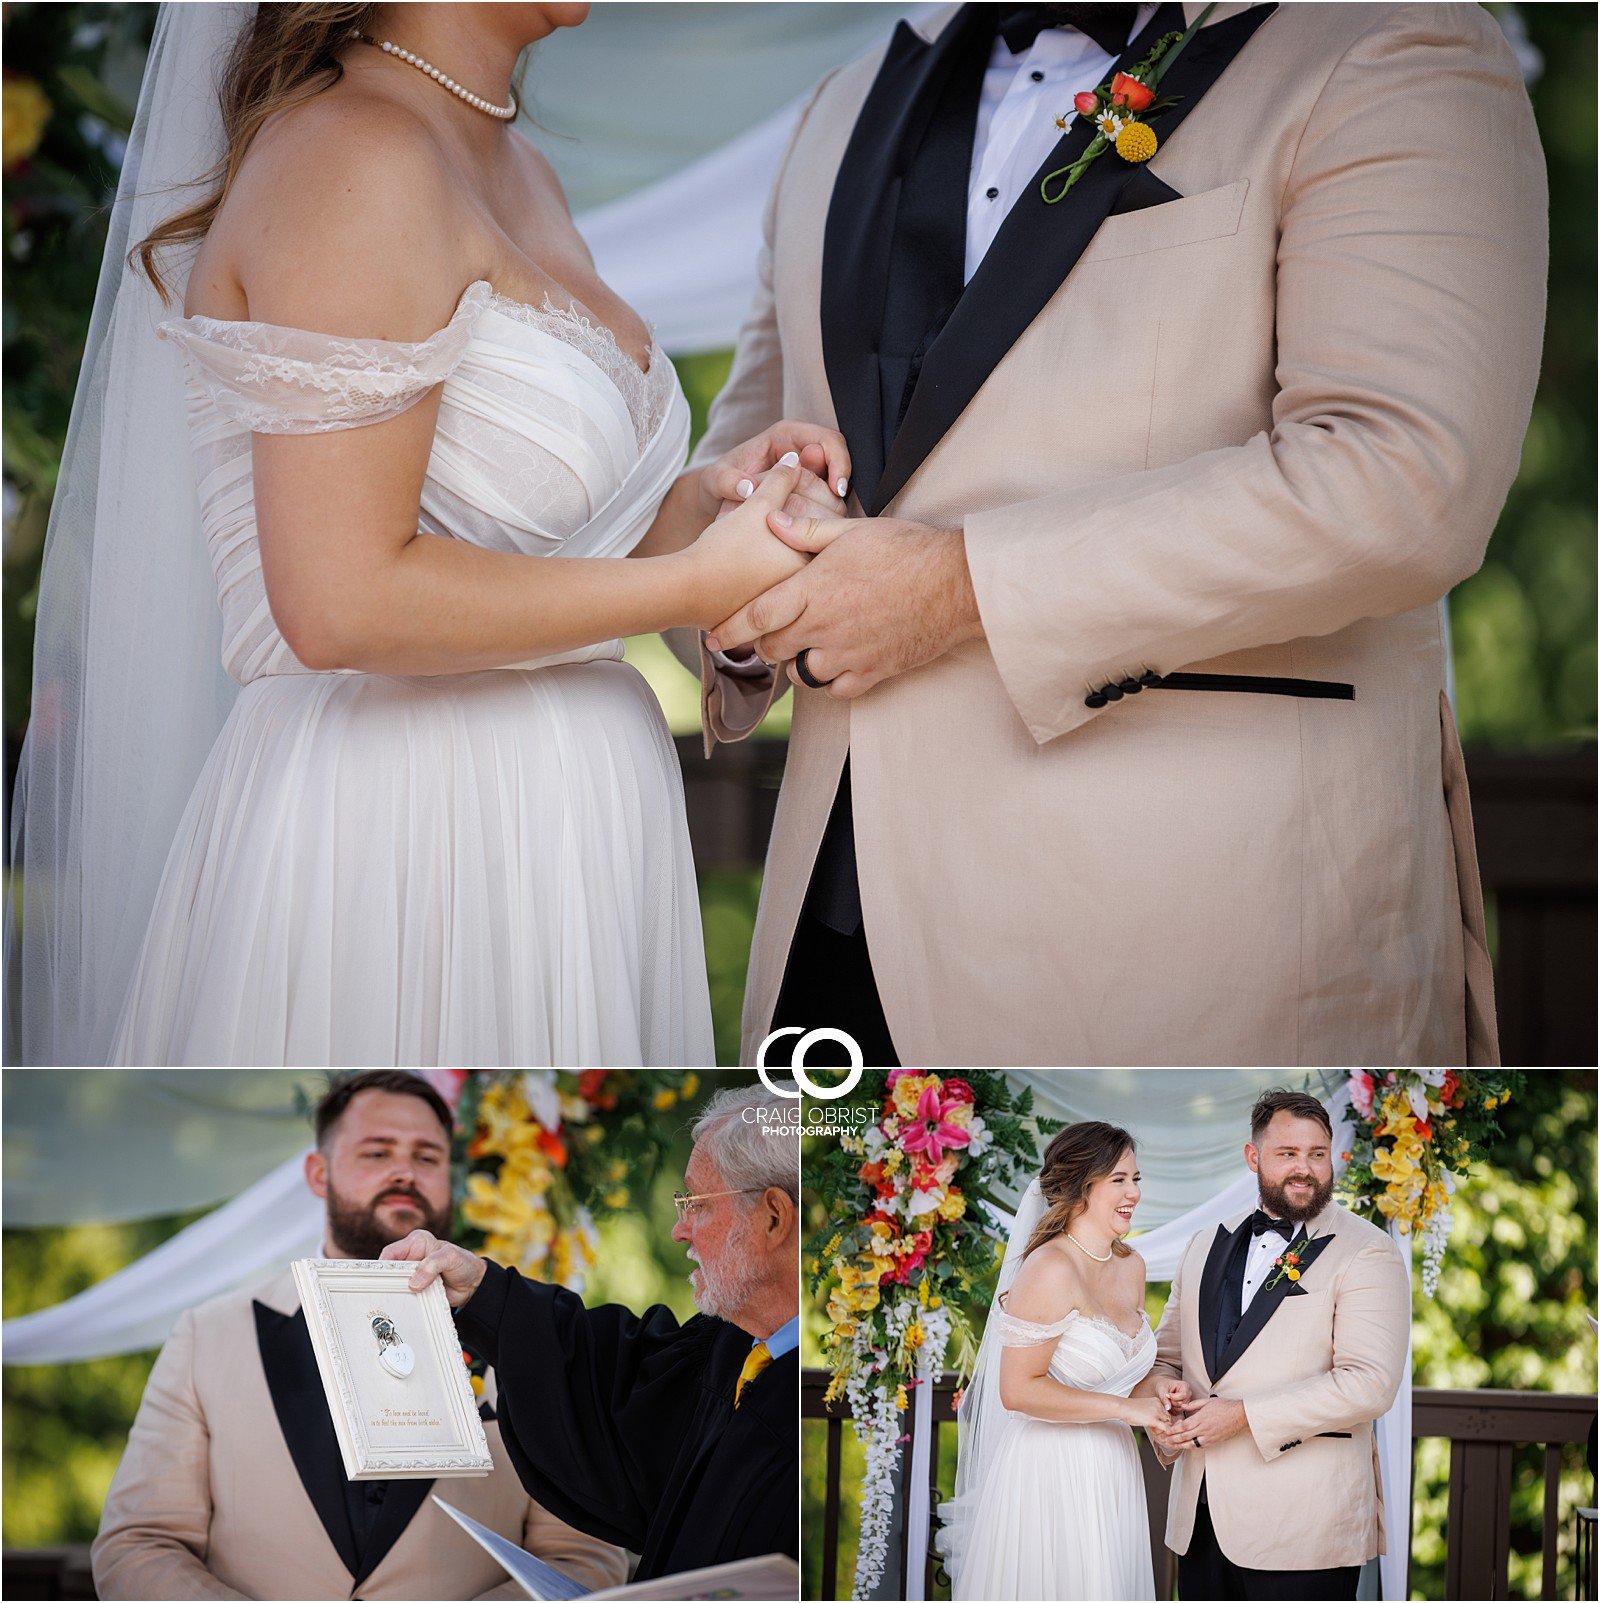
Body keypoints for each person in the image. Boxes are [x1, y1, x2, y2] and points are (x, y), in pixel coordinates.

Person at [688, 1, 1548, 1067]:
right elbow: (744, 458)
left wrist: (956, 586)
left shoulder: (1390, 43)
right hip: (827, 921)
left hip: (1187, 941)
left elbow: (1403, 480)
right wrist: (744, 592)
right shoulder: (838, 106)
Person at [8, 2, 849, 1066]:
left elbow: (543, 554)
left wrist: (716, 506)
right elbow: (341, 597)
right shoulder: (353, 152)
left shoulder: (517, 167)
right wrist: (689, 583)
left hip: (563, 828)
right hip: (409, 830)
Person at [92, 1071, 624, 1601]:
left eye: (427, 1157)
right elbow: (139, 1543)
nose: (404, 1173)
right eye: (377, 1153)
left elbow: (586, 1558)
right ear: (318, 1174)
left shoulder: (521, 1334)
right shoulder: (208, 1337)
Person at [384, 1084, 799, 1584]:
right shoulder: (733, 1350)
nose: (679, 1230)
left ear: (773, 1217)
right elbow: (613, 1392)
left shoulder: (834, 1393)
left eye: (697, 1203)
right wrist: (483, 1293)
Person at [1149, 1088, 1411, 1601]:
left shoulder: (1369, 1252)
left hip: (1305, 1529)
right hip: (1202, 1521)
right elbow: (1167, 1357)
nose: (1305, 1169)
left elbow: (1370, 1386)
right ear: (1253, 1158)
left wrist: (1242, 1415)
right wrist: (1165, 1391)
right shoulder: (1204, 1243)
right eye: (1288, 1154)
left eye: (1317, 1154)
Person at [937, 1121, 1182, 1600]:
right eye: (1119, 1180)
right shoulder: (1049, 1267)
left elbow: (1114, 1375)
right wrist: (1127, 1411)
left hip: (1112, 1469)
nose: (1133, 1192)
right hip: (1050, 1472)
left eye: (1136, 1179)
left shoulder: (1132, 1266)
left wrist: (1154, 1392)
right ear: (1080, 1187)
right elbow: (1019, 1389)